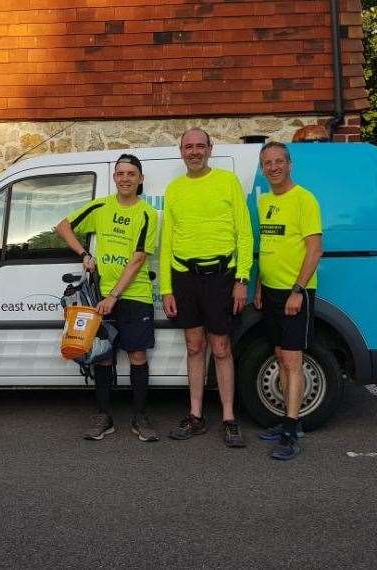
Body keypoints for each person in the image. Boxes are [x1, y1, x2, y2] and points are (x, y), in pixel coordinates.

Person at [56, 154, 160, 442]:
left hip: (134, 294)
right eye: (120, 173)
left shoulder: (149, 214)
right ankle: (104, 416)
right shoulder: (102, 206)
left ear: (140, 179)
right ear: (114, 178)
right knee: (102, 356)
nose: (125, 178)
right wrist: (85, 254)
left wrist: (114, 295)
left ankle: (140, 417)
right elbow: (63, 226)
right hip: (100, 294)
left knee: (137, 355)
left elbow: (139, 259)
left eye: (131, 174)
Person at [159, 128, 253, 448]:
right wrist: (167, 289)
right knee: (194, 347)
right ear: (181, 151)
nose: (195, 151)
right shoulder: (174, 189)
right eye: (189, 146)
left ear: (210, 149)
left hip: (222, 276)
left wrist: (241, 280)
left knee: (222, 347)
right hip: (185, 277)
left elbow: (244, 234)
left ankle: (229, 417)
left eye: (201, 146)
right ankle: (196, 415)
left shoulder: (227, 182)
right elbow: (167, 240)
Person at [253, 141, 323, 460]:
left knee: (293, 362)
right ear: (262, 167)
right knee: (280, 357)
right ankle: (285, 421)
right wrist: (258, 287)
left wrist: (297, 290)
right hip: (270, 292)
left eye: (279, 161)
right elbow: (266, 248)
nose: (274, 167)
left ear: (289, 164)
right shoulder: (265, 200)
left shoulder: (304, 199)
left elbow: (314, 250)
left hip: (296, 293)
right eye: (268, 162)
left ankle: (292, 432)